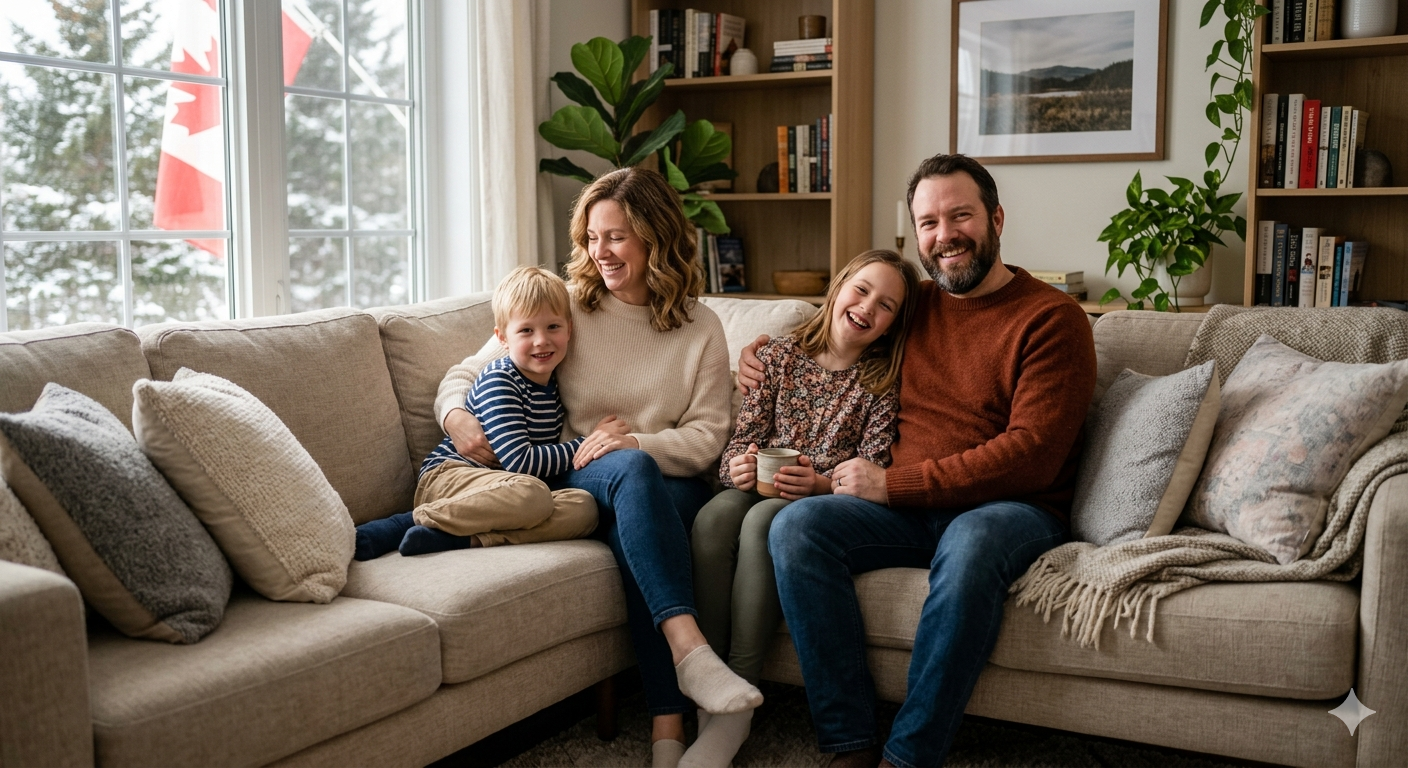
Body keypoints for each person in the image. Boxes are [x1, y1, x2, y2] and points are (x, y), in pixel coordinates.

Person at [737, 154, 1097, 768]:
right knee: (798, 526)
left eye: (960, 215)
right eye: (928, 222)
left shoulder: (1052, 318)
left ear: (997, 219)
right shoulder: (913, 305)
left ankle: (908, 757)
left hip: (1009, 509)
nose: (944, 234)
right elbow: (839, 327)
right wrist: (765, 349)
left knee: (974, 539)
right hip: (905, 510)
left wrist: (893, 484)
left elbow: (1032, 454)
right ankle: (848, 742)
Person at [435, 168, 761, 768]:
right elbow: (465, 374)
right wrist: (458, 419)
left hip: (669, 479)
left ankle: (667, 725)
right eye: (591, 236)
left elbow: (707, 436)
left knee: (640, 503)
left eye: (616, 237)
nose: (599, 253)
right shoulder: (568, 308)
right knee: (630, 481)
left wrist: (636, 442)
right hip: (577, 472)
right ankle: (689, 659)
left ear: (655, 238)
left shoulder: (701, 327)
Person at [685, 250, 921, 768]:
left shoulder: (882, 382)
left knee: (764, 523)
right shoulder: (777, 357)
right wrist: (741, 468)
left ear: (892, 325)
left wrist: (816, 484)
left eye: (885, 306)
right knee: (713, 518)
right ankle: (708, 678)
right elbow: (736, 447)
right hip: (757, 484)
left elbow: (873, 467)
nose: (866, 308)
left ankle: (739, 696)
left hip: (816, 502)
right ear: (838, 288)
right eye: (861, 290)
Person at [352, 266, 605, 559]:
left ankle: (464, 539)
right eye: (526, 330)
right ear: (502, 338)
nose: (541, 340)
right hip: (450, 478)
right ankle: (407, 522)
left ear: (569, 329)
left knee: (585, 508)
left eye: (553, 327)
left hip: (499, 491)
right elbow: (520, 462)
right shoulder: (501, 379)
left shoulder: (554, 384)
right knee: (534, 495)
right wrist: (589, 442)